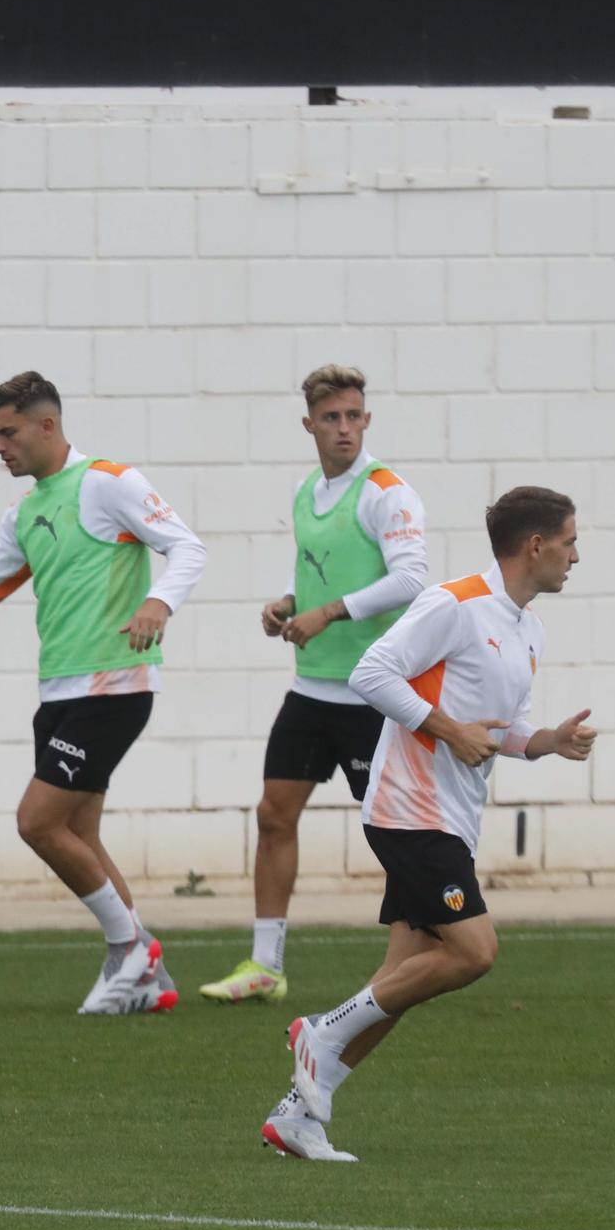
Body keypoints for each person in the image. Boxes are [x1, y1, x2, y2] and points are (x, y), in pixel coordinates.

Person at [266, 488, 593, 1161]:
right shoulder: (455, 601)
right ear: (536, 545)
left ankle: (296, 1116)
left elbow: (499, 730)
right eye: (569, 540)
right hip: (408, 810)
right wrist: (447, 729)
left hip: (450, 819)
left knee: (398, 985)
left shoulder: (528, 627)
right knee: (475, 951)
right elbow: (372, 671)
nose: (576, 554)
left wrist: (546, 741)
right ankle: (321, 1030)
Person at [0, 372, 205, 1015]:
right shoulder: (27, 510)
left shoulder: (108, 483)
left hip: (113, 684)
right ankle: (148, 971)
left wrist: (158, 601)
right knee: (80, 835)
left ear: (47, 426)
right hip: (61, 690)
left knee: (36, 822)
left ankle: (129, 952)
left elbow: (187, 548)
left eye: (7, 433)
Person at [200, 366, 427, 1005]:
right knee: (274, 816)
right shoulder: (308, 492)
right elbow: (330, 575)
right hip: (312, 690)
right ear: (310, 425)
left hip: (371, 693)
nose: (345, 428)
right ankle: (266, 966)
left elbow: (412, 579)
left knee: (391, 830)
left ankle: (429, 945)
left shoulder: (387, 491)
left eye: (354, 415)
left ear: (367, 419)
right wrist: (291, 603)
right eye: (331, 418)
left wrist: (326, 613)